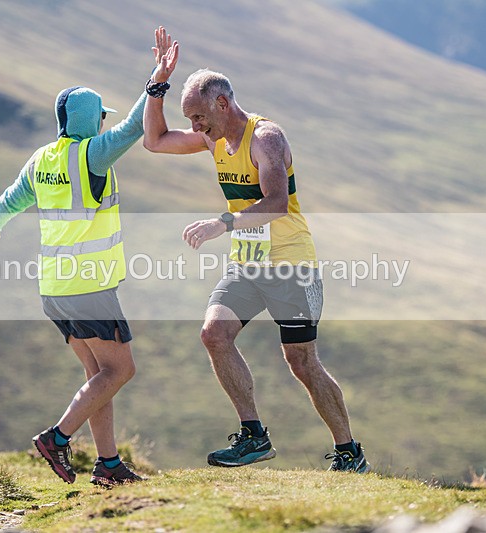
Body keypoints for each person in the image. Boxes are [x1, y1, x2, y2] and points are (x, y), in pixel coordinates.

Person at [142, 26, 369, 472]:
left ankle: (349, 452)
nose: (194, 127)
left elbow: (277, 204)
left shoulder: (266, 138)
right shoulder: (213, 137)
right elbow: (155, 141)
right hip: (248, 265)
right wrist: (157, 84)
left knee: (301, 361)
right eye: (191, 120)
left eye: (199, 117)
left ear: (222, 103)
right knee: (213, 334)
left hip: (290, 264)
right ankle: (253, 437)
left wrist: (220, 223)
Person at [0, 33, 178, 486]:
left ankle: (107, 467)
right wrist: (158, 81)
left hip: (54, 289)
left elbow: (12, 198)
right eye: (99, 118)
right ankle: (57, 438)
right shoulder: (93, 154)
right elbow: (132, 127)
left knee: (98, 375)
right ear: (91, 120)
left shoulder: (41, 159)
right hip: (88, 287)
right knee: (121, 369)